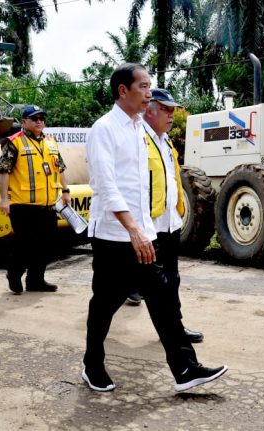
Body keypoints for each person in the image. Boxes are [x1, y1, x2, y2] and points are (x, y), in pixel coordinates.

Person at [82, 63, 227, 393]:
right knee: (104, 304)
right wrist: (133, 230)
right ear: (123, 91)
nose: (150, 92)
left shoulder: (136, 128)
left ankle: (185, 369)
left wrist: (147, 231)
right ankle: (92, 365)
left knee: (163, 298)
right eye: (144, 86)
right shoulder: (104, 129)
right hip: (113, 236)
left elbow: (143, 188)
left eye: (150, 86)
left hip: (142, 235)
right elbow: (105, 185)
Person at [138, 88, 204, 344]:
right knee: (121, 288)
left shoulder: (166, 142)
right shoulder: (138, 140)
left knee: (171, 279)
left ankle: (174, 328)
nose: (172, 115)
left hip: (168, 222)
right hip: (148, 225)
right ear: (149, 110)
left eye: (173, 109)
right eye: (166, 109)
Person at [0, 105, 69, 295]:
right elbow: (4, 171)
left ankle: (36, 280)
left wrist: (66, 191)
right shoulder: (14, 143)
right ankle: (14, 274)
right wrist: (3, 199)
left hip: (47, 205)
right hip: (23, 206)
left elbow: (60, 169)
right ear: (24, 122)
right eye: (34, 118)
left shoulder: (51, 142)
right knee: (24, 246)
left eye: (41, 118)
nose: (39, 121)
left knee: (46, 245)